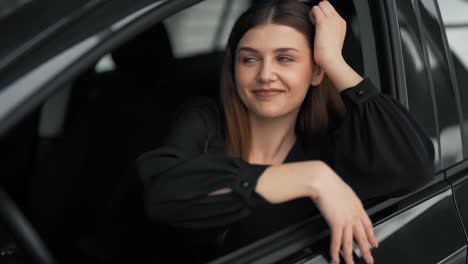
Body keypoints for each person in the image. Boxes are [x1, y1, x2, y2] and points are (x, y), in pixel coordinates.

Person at [136, 0, 435, 263]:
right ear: (234, 69)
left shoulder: (332, 146)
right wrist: (312, 178)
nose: (265, 75)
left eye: (285, 58)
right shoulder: (205, 119)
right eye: (249, 59)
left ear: (316, 72)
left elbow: (414, 167)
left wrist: (334, 60)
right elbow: (163, 195)